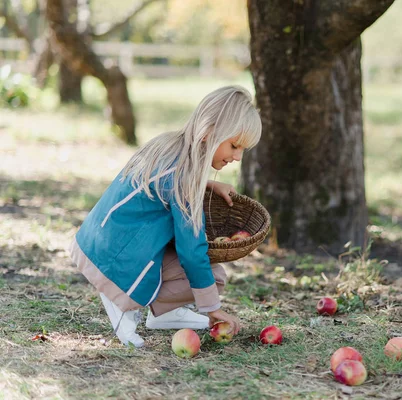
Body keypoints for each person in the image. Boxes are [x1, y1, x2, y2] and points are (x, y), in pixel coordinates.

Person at [69, 86, 261, 347]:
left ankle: (164, 314)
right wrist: (212, 309)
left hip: (95, 242)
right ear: (209, 131)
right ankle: (121, 300)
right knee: (203, 274)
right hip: (111, 258)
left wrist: (208, 184)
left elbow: (164, 183)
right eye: (234, 145)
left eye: (243, 149)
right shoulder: (184, 179)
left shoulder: (170, 146)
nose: (238, 157)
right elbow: (192, 250)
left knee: (214, 277)